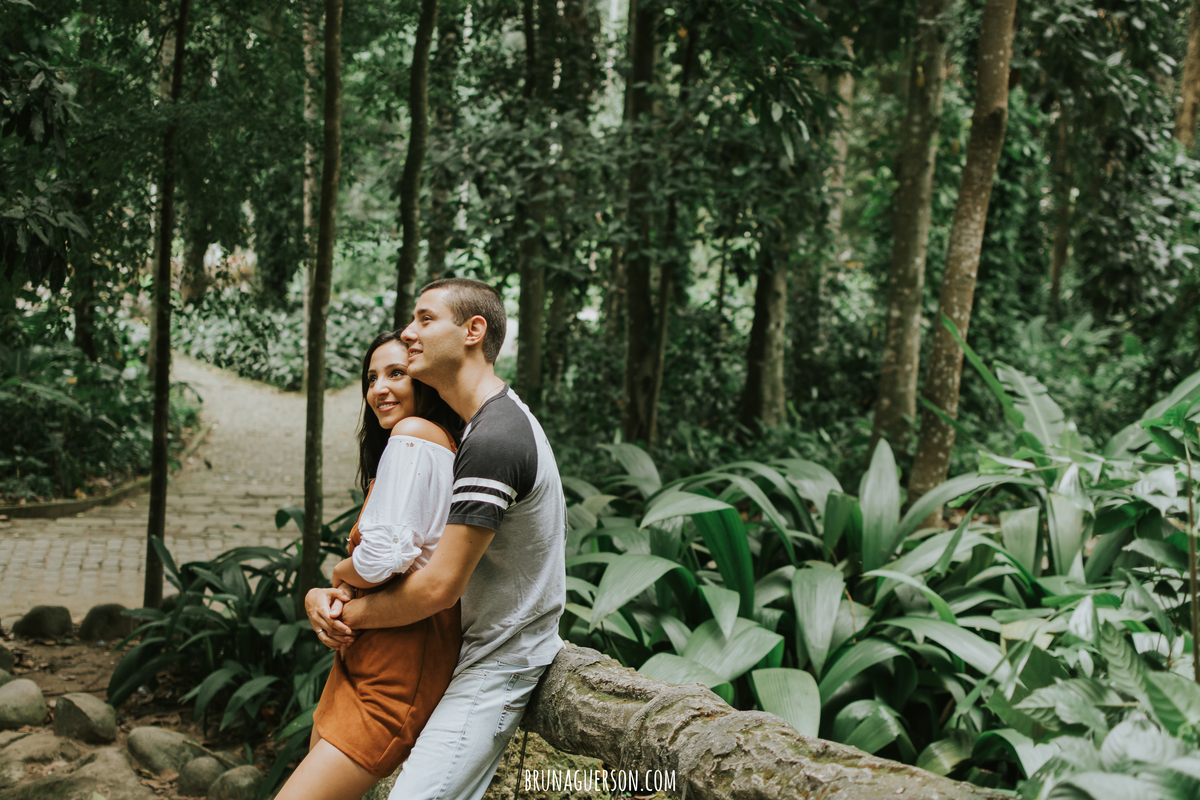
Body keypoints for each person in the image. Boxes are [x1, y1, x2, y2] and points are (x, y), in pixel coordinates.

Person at [306, 278, 567, 800]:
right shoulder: (477, 430)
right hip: (467, 650)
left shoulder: (495, 438)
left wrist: (342, 613)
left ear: (474, 331)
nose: (409, 330)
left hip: (499, 658)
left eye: (426, 319)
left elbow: (436, 588)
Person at [278, 331, 464, 800]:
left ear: (425, 380)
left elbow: (383, 559)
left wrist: (338, 576)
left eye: (396, 373)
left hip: (395, 674)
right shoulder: (419, 446)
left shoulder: (415, 436)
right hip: (363, 659)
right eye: (371, 377)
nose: (379, 388)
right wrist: (321, 597)